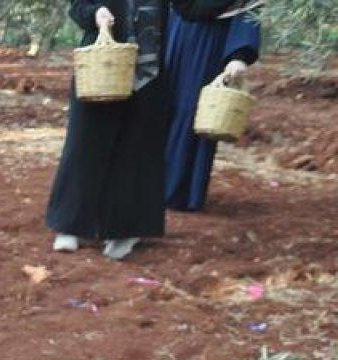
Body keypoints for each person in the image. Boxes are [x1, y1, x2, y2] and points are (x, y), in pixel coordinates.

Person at [46, 0, 238, 260]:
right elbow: (79, 7)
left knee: (135, 150)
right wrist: (97, 13)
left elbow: (191, 9)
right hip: (101, 64)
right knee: (85, 143)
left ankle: (125, 230)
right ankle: (71, 225)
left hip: (148, 73)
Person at [164, 4, 261, 211]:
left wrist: (239, 56)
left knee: (193, 111)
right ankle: (148, 186)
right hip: (173, 34)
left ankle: (179, 191)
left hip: (210, 44)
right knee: (161, 107)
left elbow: (248, 8)